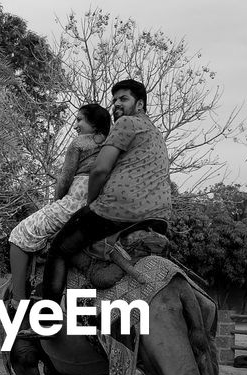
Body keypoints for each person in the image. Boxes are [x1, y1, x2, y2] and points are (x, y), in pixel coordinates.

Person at [36, 78, 172, 306]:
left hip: (119, 210)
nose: (117, 103)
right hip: (158, 215)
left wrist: (91, 204)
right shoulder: (155, 134)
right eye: (115, 99)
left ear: (140, 105)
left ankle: (46, 318)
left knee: (59, 249)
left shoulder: (127, 123)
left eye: (124, 99)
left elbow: (100, 169)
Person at [8, 103, 112, 302]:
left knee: (19, 234)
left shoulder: (79, 143)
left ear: (95, 123)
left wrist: (56, 202)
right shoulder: (112, 145)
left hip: (75, 201)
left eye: (80, 119)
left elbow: (64, 179)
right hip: (100, 204)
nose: (75, 125)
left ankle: (17, 301)